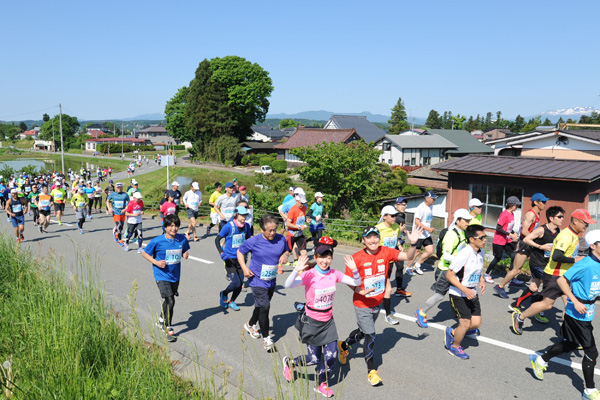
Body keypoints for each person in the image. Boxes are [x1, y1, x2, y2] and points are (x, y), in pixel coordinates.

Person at [337, 224, 422, 386]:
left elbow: (408, 257)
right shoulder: (356, 258)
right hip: (361, 303)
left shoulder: (386, 251)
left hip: (377, 302)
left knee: (362, 332)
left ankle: (344, 345)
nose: (373, 240)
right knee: (371, 335)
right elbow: (347, 280)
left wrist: (413, 244)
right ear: (363, 241)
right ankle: (371, 371)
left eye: (375, 236)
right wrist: (358, 290)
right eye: (369, 237)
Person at [282, 238, 361, 398]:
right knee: (313, 359)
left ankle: (322, 384)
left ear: (331, 258)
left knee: (331, 356)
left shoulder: (335, 274)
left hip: (328, 322)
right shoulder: (310, 274)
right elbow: (288, 285)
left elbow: (355, 282)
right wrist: (296, 270)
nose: (325, 260)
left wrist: (355, 269)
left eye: (328, 257)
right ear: (316, 257)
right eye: (321, 257)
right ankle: (290, 363)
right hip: (311, 323)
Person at [529, 229, 600, 400]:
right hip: (576, 312)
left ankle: (541, 360)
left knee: (570, 344)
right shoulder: (585, 264)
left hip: (587, 312)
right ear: (593, 246)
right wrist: (574, 301)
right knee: (591, 352)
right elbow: (561, 280)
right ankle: (589, 390)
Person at [512, 209, 594, 335]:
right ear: (576, 221)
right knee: (547, 305)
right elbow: (556, 256)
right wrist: (575, 260)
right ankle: (520, 317)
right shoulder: (566, 236)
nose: (586, 226)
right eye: (585, 223)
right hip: (554, 275)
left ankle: (568, 334)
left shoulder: (573, 235)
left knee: (570, 305)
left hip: (565, 276)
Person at [238, 214, 291, 351]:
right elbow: (240, 251)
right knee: (265, 307)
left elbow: (287, 250)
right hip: (256, 279)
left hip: (271, 279)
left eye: (275, 229)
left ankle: (250, 324)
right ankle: (267, 339)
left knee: (261, 306)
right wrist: (244, 268)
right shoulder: (254, 241)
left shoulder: (280, 239)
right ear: (262, 229)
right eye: (270, 230)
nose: (273, 233)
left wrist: (285, 255)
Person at [415, 209, 473, 329]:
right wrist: (462, 261)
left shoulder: (463, 233)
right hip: (445, 270)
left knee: (459, 295)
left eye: (469, 220)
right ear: (458, 220)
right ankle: (421, 312)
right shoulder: (451, 234)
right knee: (439, 296)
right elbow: (445, 255)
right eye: (465, 220)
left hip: (456, 269)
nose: (468, 222)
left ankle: (464, 323)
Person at [510, 206, 565, 322]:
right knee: (551, 284)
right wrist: (541, 246)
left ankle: (517, 304)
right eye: (559, 216)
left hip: (547, 263)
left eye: (563, 217)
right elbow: (526, 239)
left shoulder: (558, 231)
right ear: (551, 218)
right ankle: (539, 310)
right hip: (537, 263)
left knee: (534, 287)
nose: (562, 219)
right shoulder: (542, 230)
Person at [142, 214, 190, 342]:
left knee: (169, 299)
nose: (174, 229)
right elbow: (144, 253)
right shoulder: (157, 241)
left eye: (176, 226)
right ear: (165, 227)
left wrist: (185, 253)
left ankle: (161, 319)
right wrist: (157, 263)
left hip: (175, 275)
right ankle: (168, 328)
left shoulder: (182, 239)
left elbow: (185, 249)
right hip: (161, 275)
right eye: (171, 226)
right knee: (171, 301)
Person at [444, 224, 487, 360]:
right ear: (471, 239)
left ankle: (452, 332)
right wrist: (464, 289)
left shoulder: (481, 252)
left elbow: (476, 269)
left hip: (471, 292)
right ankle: (455, 346)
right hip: (458, 293)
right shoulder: (464, 254)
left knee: (476, 323)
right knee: (465, 324)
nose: (485, 240)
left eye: (485, 237)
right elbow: (449, 275)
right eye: (482, 237)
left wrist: (481, 279)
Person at [494, 193, 549, 298]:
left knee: (536, 267)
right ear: (536, 202)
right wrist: (535, 242)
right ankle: (500, 286)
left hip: (530, 244)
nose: (545, 204)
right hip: (525, 244)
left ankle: (535, 291)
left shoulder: (537, 214)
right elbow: (524, 231)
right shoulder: (531, 214)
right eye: (543, 202)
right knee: (517, 269)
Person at [215, 206, 253, 311]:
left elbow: (248, 239)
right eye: (242, 215)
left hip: (241, 258)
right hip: (229, 259)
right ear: (236, 215)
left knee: (240, 283)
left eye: (245, 215)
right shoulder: (229, 226)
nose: (244, 217)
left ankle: (232, 301)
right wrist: (221, 253)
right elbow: (217, 240)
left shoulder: (247, 226)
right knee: (236, 283)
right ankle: (224, 293)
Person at [375, 205, 403, 325]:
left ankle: (375, 304)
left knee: (382, 287)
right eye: (392, 215)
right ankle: (387, 314)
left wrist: (399, 245)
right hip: (379, 262)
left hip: (390, 261)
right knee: (387, 288)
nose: (395, 218)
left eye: (396, 215)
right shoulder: (377, 229)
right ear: (384, 216)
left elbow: (396, 238)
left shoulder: (397, 227)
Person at [484, 196, 521, 283]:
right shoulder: (504, 214)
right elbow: (498, 228)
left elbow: (508, 227)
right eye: (517, 205)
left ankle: (511, 277)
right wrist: (510, 234)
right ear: (511, 205)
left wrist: (513, 232)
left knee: (513, 256)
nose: (517, 207)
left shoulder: (512, 214)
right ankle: (486, 274)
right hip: (499, 240)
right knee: (497, 258)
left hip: (507, 240)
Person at [407, 191, 437, 276]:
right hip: (418, 234)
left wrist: (428, 229)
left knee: (430, 251)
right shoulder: (421, 207)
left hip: (426, 234)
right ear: (427, 199)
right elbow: (417, 221)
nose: (434, 200)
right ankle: (408, 268)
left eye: (435, 198)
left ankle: (417, 264)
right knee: (416, 252)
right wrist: (428, 228)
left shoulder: (431, 207)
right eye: (433, 198)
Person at [392, 197, 411, 297]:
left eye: (404, 205)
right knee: (387, 269)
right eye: (401, 204)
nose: (403, 206)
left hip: (399, 244)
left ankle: (399, 289)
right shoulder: (393, 217)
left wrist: (403, 231)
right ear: (396, 205)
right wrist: (398, 243)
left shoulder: (402, 215)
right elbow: (392, 233)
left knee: (400, 267)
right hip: (391, 245)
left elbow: (399, 230)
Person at [286, 189, 310, 266]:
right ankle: (279, 264)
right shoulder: (292, 210)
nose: (302, 205)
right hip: (291, 234)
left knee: (304, 252)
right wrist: (299, 226)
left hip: (300, 234)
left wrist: (307, 219)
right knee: (287, 252)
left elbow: (302, 216)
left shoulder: (304, 208)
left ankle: (302, 268)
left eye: (304, 203)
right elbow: (288, 224)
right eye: (301, 203)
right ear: (297, 201)